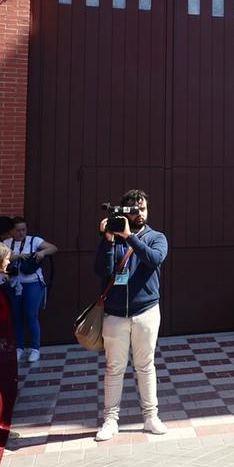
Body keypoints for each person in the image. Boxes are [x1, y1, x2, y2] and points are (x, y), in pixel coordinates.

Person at [93, 189, 169, 441]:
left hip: (146, 311)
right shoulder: (113, 239)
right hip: (115, 314)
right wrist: (108, 240)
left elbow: (153, 259)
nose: (139, 213)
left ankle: (150, 417)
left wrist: (129, 237)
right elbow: (101, 270)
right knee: (114, 367)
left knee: (145, 365)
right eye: (135, 209)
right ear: (124, 212)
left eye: (143, 209)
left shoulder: (156, 237)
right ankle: (110, 420)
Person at [2, 217, 56, 364]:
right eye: (18, 230)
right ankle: (19, 347)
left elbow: (53, 247)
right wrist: (18, 256)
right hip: (14, 283)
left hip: (32, 282)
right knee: (16, 316)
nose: (21, 233)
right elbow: (1, 257)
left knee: (31, 315)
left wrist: (42, 253)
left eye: (23, 230)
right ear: (12, 231)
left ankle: (35, 348)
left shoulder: (34, 241)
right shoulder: (6, 243)